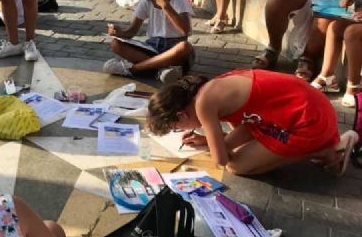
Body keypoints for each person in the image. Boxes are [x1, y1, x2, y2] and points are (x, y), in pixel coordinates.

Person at [147, 72, 359, 176]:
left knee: (236, 166)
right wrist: (212, 140)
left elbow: (221, 159)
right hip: (306, 109)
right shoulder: (208, 89)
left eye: (177, 128)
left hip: (309, 120)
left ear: (182, 114)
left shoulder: (204, 105)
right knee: (234, 149)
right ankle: (323, 146)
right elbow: (247, 125)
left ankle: (325, 150)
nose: (182, 131)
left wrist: (216, 144)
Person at [103, 0, 194, 83]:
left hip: (174, 49)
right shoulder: (146, 1)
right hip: (153, 47)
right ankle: (162, 70)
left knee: (185, 47)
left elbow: (185, 30)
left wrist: (166, 6)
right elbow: (132, 32)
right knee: (115, 44)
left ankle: (133, 69)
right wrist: (119, 32)